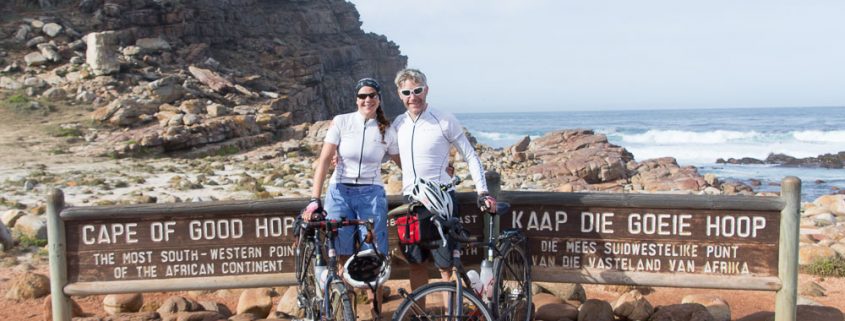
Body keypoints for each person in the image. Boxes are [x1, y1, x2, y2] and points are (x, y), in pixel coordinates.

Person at [391, 68, 497, 291]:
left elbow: (470, 155)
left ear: (426, 90)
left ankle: (451, 315)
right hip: (411, 202)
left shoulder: (444, 119)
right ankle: (419, 314)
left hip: (442, 201)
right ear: (399, 95)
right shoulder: (398, 124)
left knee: (446, 267)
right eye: (407, 92)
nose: (413, 97)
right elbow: (380, 154)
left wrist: (482, 191)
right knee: (416, 264)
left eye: (417, 90)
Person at [302, 77, 400, 314]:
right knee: (342, 255)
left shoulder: (387, 129)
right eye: (362, 96)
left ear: (379, 98)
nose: (367, 100)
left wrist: (436, 176)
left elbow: (404, 164)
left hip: (372, 193)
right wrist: (315, 199)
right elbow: (324, 160)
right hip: (339, 192)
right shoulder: (342, 122)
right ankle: (347, 313)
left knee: (374, 257)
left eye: (372, 95)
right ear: (356, 99)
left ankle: (376, 313)